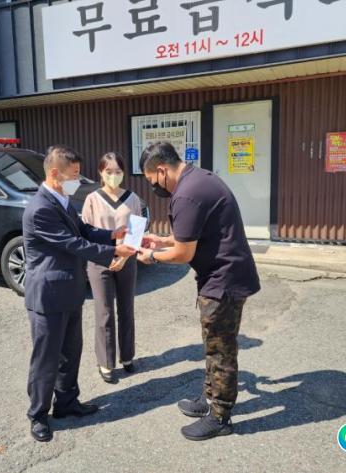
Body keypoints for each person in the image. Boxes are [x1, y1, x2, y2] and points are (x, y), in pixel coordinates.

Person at [136, 141, 261, 441]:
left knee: (220, 350)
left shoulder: (186, 194)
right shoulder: (197, 179)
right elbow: (189, 236)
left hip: (223, 281)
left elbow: (183, 253)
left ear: (161, 170)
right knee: (212, 343)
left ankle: (220, 417)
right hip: (223, 275)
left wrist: (151, 256)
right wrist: (161, 240)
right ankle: (209, 398)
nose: (154, 187)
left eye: (152, 181)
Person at [22, 145, 136, 443]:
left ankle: (67, 402)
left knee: (70, 352)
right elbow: (73, 244)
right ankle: (38, 414)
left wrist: (112, 235)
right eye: (73, 175)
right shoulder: (41, 208)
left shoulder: (62, 200)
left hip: (70, 291)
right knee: (46, 358)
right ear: (54, 173)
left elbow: (83, 230)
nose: (77, 180)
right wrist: (114, 252)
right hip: (48, 296)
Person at [82, 152, 144, 384]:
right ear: (101, 172)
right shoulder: (92, 199)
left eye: (118, 171)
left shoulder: (132, 198)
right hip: (100, 261)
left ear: (124, 173)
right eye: (109, 171)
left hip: (127, 260)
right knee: (104, 311)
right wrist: (109, 255)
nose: (113, 176)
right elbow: (87, 233)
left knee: (126, 308)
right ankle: (106, 361)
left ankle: (127, 356)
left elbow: (136, 231)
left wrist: (125, 256)